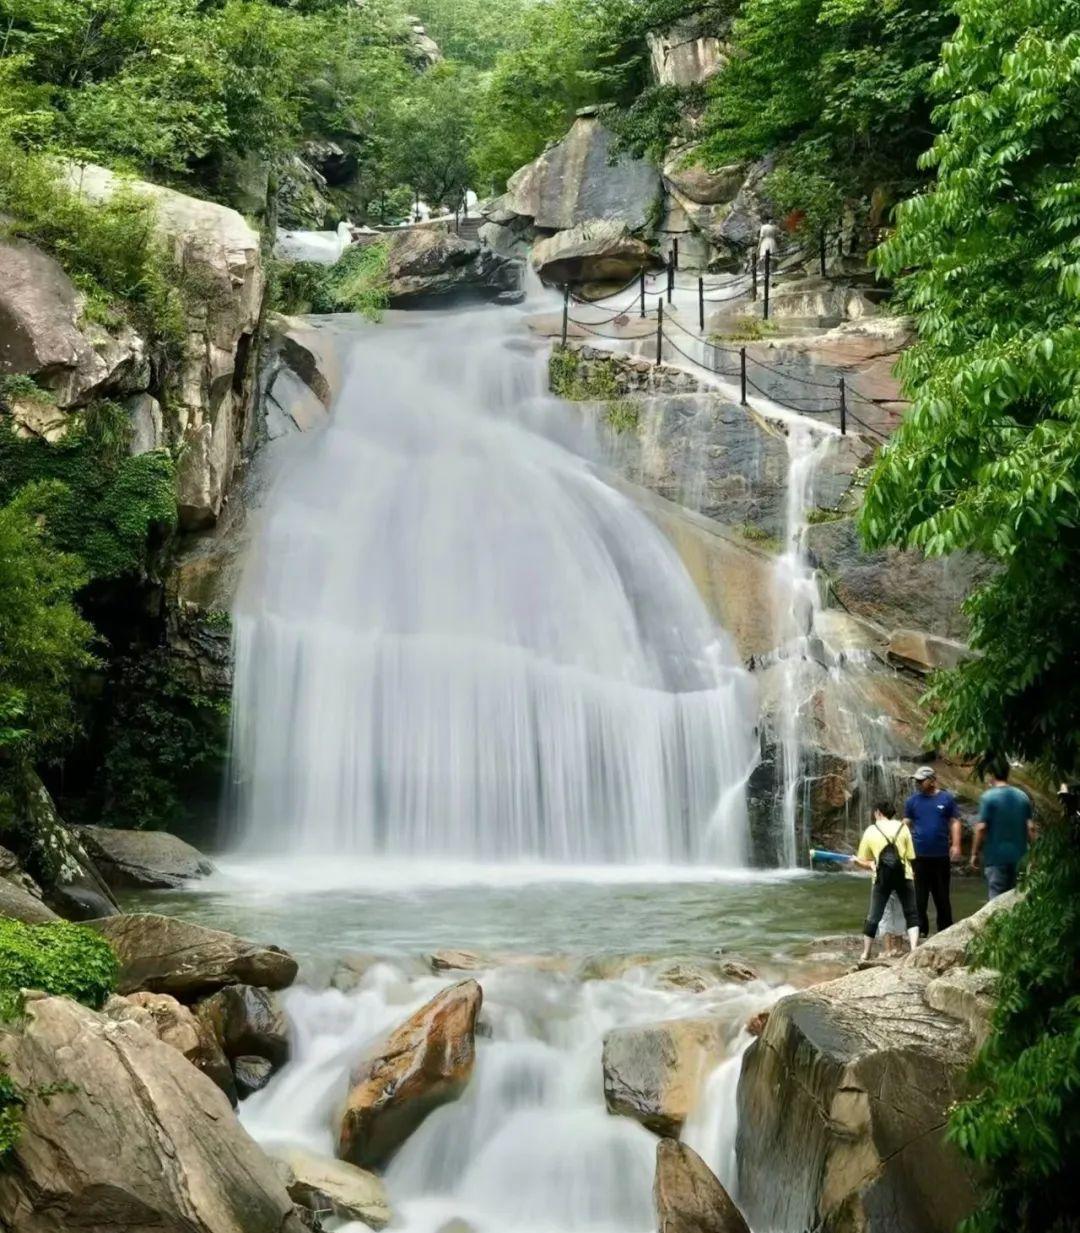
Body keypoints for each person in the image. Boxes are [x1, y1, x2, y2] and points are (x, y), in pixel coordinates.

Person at [853, 802, 919, 961]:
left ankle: (866, 953)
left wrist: (857, 862)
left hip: (881, 878)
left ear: (878, 812)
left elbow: (864, 861)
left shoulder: (871, 830)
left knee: (873, 915)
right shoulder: (903, 828)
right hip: (904, 875)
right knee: (911, 913)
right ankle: (915, 950)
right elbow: (911, 856)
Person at [904, 766, 961, 937]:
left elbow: (954, 822)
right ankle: (921, 931)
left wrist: (956, 844)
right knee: (919, 897)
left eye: (921, 781)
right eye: (917, 781)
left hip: (941, 855)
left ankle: (945, 931)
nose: (918, 784)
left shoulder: (946, 799)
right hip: (919, 856)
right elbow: (905, 823)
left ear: (932, 780)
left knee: (942, 896)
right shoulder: (912, 801)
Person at [972, 759, 1035, 898]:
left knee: (996, 903)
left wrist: (974, 853)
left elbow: (981, 828)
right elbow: (1030, 828)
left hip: (996, 858)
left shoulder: (988, 797)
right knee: (1018, 899)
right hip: (1020, 858)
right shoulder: (1022, 796)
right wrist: (1034, 855)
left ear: (992, 775)